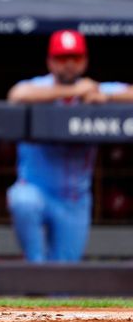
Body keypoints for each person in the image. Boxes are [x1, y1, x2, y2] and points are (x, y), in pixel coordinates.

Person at [7, 29, 133, 262]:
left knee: (63, 280)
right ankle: (36, 267)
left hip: (73, 199)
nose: (69, 65)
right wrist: (73, 91)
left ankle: (48, 285)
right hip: (37, 189)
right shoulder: (38, 87)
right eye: (62, 58)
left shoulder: (95, 89)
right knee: (22, 199)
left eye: (75, 58)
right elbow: (16, 94)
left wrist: (108, 98)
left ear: (84, 61)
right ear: (50, 62)